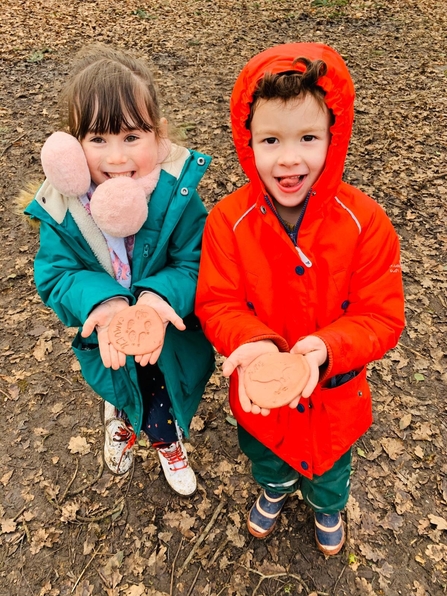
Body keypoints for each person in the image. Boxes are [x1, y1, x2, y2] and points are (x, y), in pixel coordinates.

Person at [195, 43, 405, 554]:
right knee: (266, 456)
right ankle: (275, 488)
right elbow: (217, 302)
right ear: (248, 144)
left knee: (331, 468)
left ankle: (328, 506)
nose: (289, 158)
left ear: (334, 138)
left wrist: (327, 348)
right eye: (271, 140)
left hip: (335, 395)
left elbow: (380, 315)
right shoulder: (228, 221)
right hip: (260, 395)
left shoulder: (365, 222)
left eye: (308, 137)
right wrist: (257, 343)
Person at [24, 45, 215, 497]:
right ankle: (121, 421)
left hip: (167, 334)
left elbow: (196, 260)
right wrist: (102, 299)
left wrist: (158, 297)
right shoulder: (64, 208)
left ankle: (167, 443)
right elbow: (56, 273)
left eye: (131, 137)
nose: (115, 157)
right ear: (72, 147)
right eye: (98, 140)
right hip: (104, 337)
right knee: (121, 387)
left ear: (159, 136)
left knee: (160, 395)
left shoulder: (176, 195)